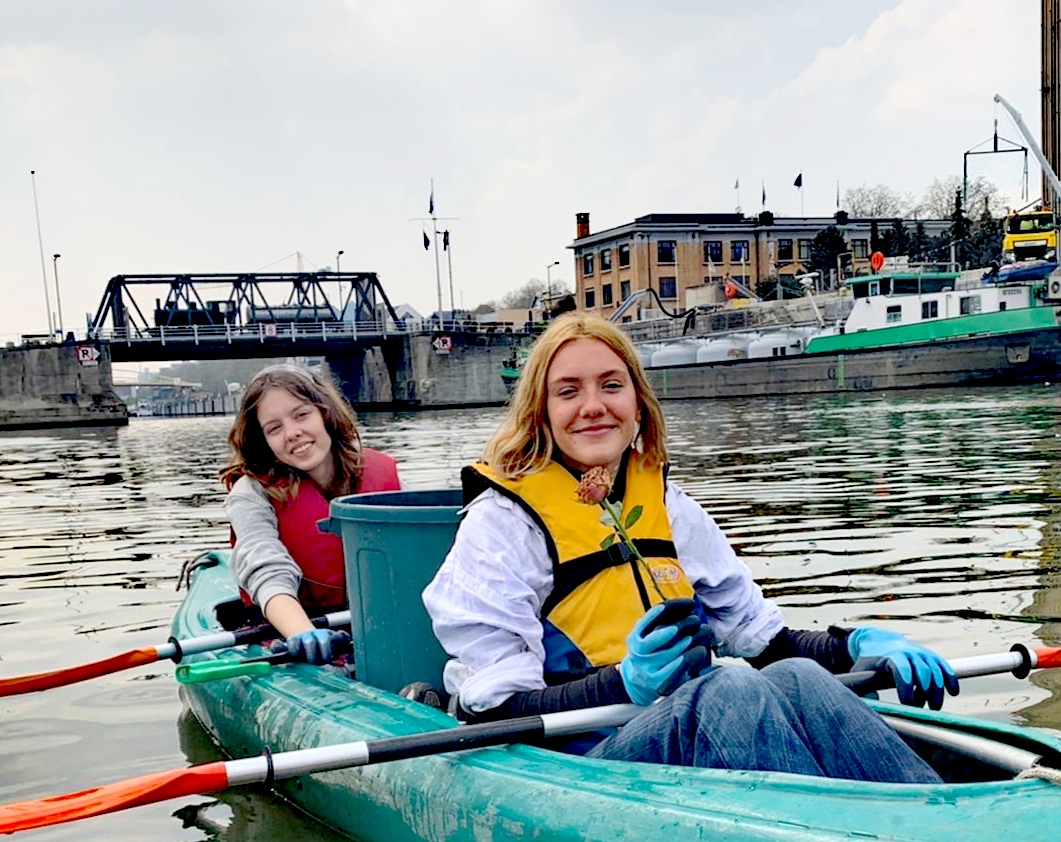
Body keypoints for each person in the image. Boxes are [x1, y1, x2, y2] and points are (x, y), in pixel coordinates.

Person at [422, 313, 957, 781]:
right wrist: (622, 684)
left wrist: (854, 646)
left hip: (693, 736)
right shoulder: (501, 523)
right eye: (568, 391)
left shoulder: (670, 504)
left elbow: (761, 640)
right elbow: (496, 711)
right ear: (540, 411)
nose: (593, 406)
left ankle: (934, 819)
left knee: (798, 676)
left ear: (637, 403)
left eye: (611, 385)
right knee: (729, 690)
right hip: (577, 763)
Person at [222, 363, 400, 663]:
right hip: (295, 636)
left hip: (381, 629)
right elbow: (266, 569)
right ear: (262, 439)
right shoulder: (250, 494)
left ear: (324, 413)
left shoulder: (382, 472)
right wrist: (301, 632)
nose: (293, 433)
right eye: (274, 428)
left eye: (302, 414)